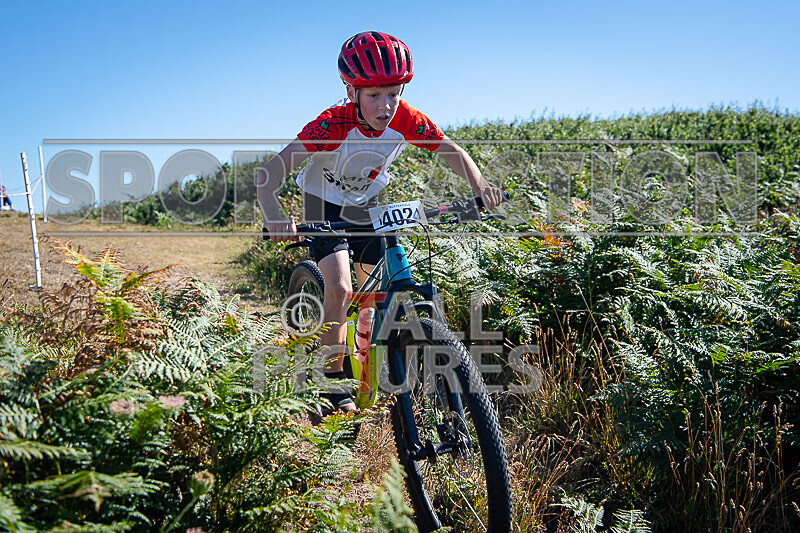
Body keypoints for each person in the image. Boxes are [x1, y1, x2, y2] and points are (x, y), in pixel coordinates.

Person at [257, 31, 502, 414]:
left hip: (366, 203)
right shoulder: (331, 124)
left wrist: (480, 187)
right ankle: (329, 383)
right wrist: (274, 215)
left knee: (379, 293)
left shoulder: (406, 119)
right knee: (339, 287)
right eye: (374, 95)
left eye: (393, 93)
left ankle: (376, 363)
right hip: (321, 201)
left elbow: (452, 151)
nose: (386, 105)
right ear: (352, 91)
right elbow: (270, 173)